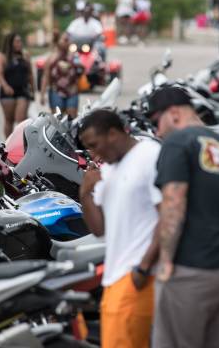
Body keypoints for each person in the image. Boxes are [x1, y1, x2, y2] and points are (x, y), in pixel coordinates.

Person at [147, 87, 219, 348]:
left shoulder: (178, 142)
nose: (157, 131)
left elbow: (173, 203)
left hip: (191, 271)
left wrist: (166, 263)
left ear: (174, 113)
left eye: (157, 122)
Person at [78, 109, 161, 348]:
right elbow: (99, 229)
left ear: (113, 134)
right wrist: (85, 193)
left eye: (95, 145)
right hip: (115, 277)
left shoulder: (149, 155)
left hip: (137, 275)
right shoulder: (109, 168)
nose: (93, 153)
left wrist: (144, 267)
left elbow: (168, 216)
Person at [0, 32, 35, 138]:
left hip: (23, 91)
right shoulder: (1, 57)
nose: (19, 43)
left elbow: (30, 74)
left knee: (21, 120)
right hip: (7, 93)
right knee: (9, 120)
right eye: (17, 41)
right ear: (10, 43)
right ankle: (8, 146)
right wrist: (5, 86)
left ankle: (20, 145)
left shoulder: (25, 55)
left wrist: (33, 89)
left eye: (20, 41)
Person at [40, 32, 79, 118]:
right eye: (64, 40)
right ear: (58, 41)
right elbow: (45, 76)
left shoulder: (74, 57)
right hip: (56, 92)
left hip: (72, 92)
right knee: (58, 120)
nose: (67, 42)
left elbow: (80, 73)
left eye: (68, 40)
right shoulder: (51, 58)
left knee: (71, 120)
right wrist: (42, 95)